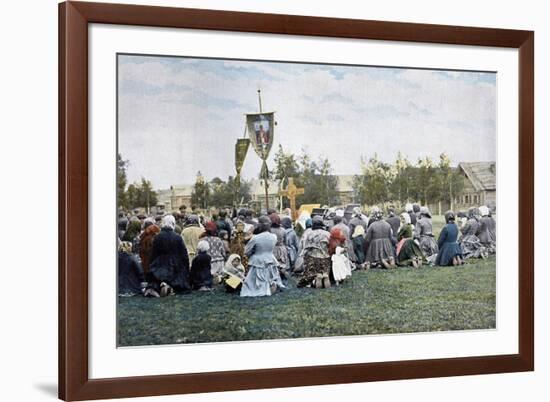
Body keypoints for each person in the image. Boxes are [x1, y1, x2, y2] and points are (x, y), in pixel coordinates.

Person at [241, 216, 285, 297]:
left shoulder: (255, 238)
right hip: (270, 258)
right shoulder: (273, 236)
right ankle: (271, 284)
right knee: (270, 274)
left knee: (254, 280)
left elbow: (246, 251)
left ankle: (263, 287)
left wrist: (252, 252)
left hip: (257, 259)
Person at [148, 214, 191, 296]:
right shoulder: (177, 237)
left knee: (156, 280)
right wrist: (186, 266)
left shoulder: (157, 237)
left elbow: (153, 253)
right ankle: (169, 287)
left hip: (159, 264)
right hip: (174, 264)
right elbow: (183, 254)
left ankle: (159, 286)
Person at [297, 216, 332, 288]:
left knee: (311, 273)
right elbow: (330, 246)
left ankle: (315, 280)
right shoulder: (327, 234)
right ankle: (325, 278)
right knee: (325, 271)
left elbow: (305, 247)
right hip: (325, 257)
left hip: (312, 257)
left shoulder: (309, 234)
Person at [270, 214, 290, 278]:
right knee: (282, 263)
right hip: (281, 248)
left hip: (272, 249)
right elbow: (286, 241)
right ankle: (283, 273)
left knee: (273, 264)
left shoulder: (269, 230)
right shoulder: (283, 230)